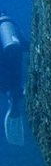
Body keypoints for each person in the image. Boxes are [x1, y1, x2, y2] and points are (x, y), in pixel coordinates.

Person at [0, 14, 25, 146]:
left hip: (4, 69)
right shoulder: (8, 24)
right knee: (14, 85)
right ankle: (16, 95)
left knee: (9, 87)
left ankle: (13, 97)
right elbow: (23, 44)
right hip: (13, 63)